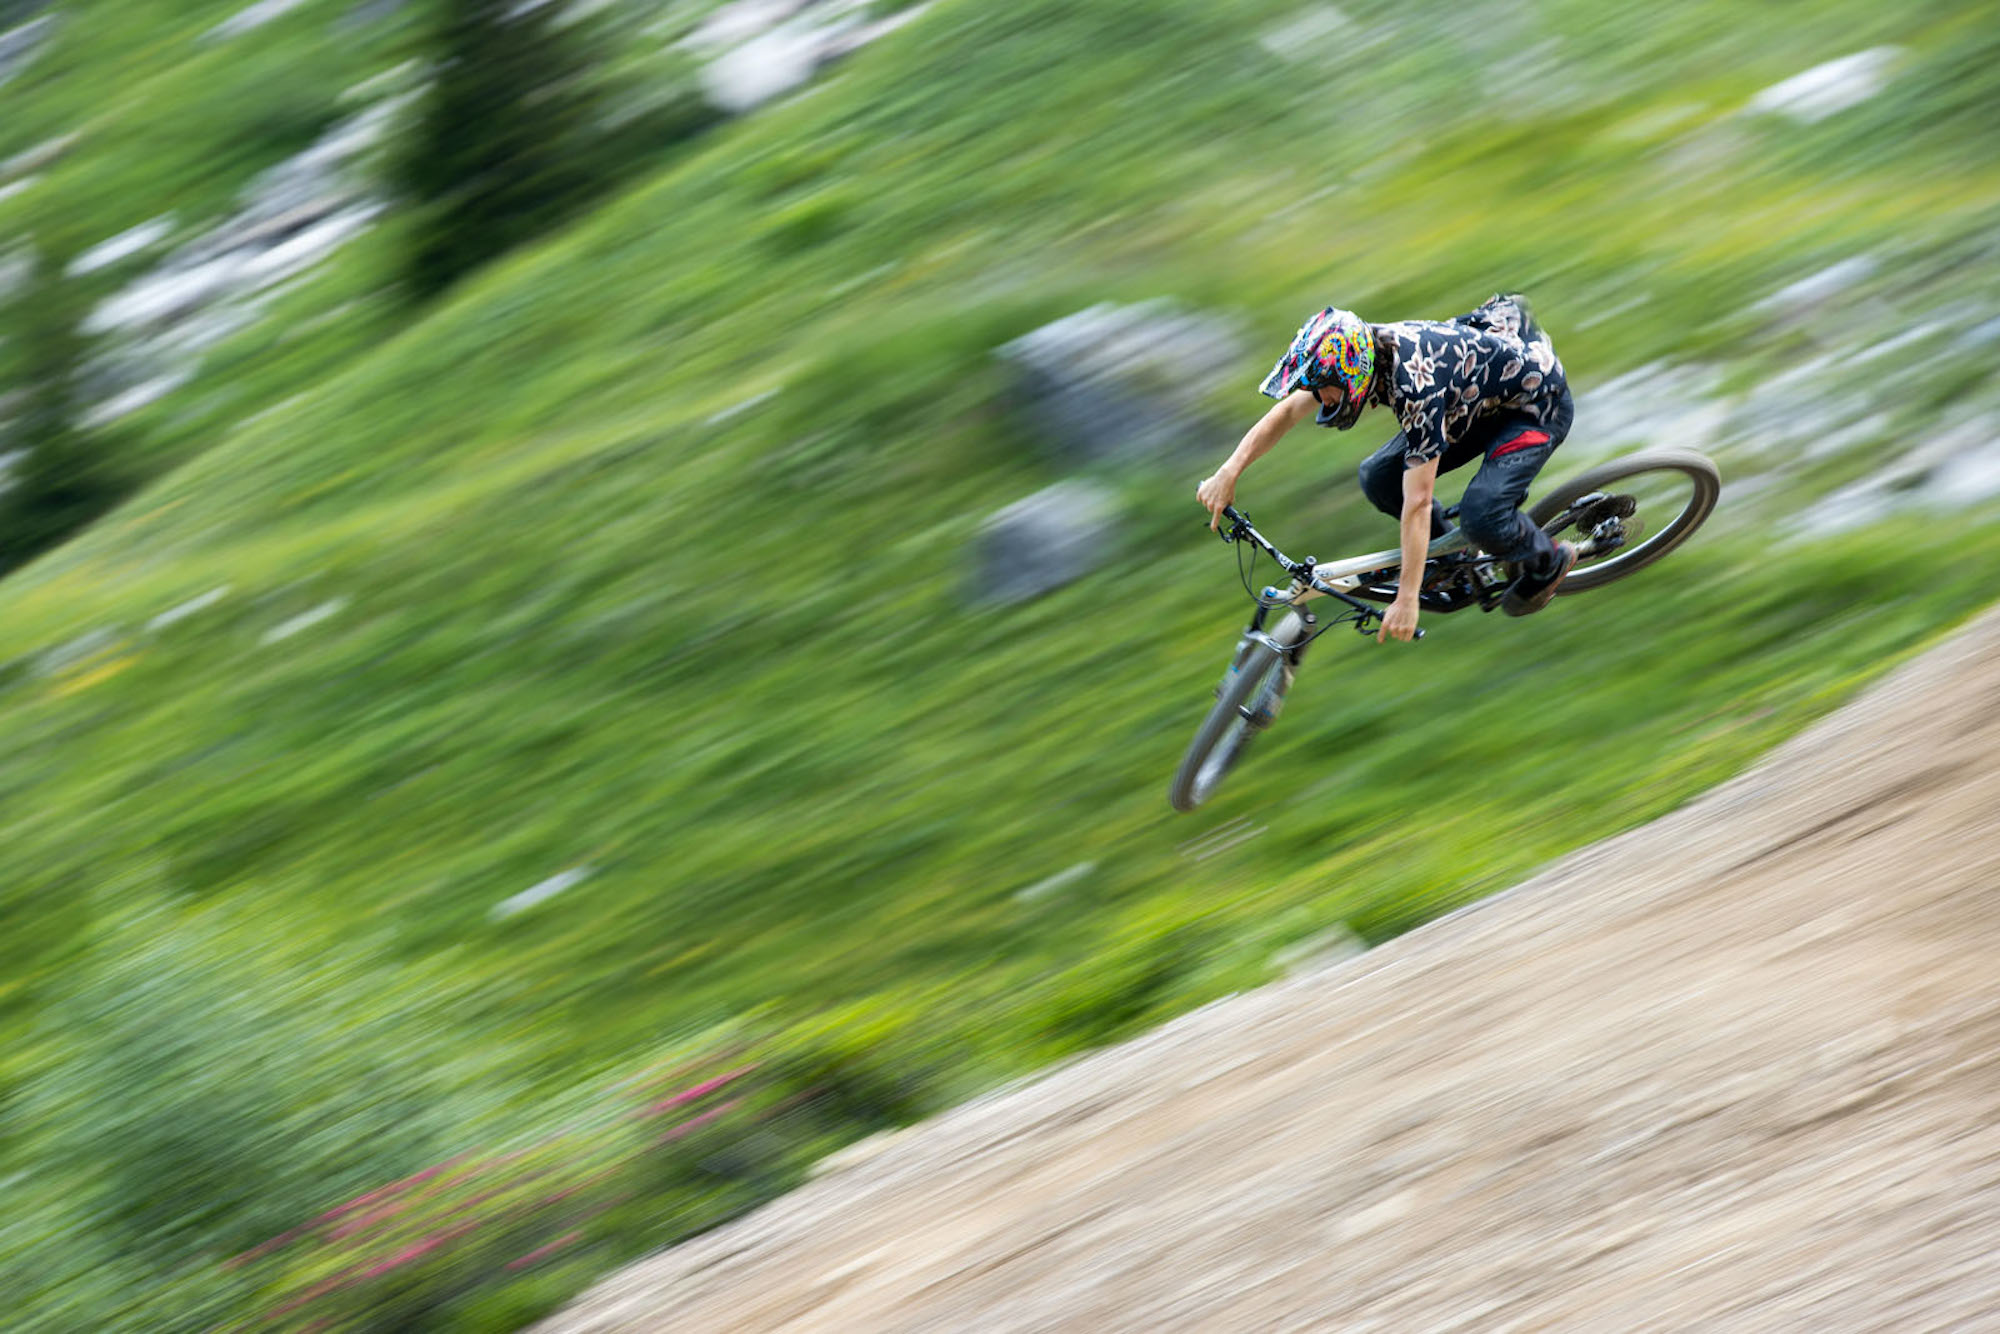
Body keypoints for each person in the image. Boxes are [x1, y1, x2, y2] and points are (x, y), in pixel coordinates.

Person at [1196, 295, 1578, 643]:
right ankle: (1455, 562)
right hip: (1474, 401)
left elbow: (1418, 501)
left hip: (1535, 408)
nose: (1321, 398)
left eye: (1325, 389)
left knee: (1483, 515)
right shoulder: (1363, 354)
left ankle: (1547, 560)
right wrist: (1228, 472)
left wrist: (1407, 597)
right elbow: (1286, 412)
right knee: (1377, 478)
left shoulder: (1415, 389)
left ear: (1351, 374)